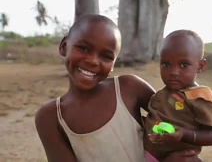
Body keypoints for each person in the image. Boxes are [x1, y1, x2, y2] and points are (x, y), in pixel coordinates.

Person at [35, 14, 200, 162]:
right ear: (64, 46)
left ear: (114, 63)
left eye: (106, 56)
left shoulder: (129, 88)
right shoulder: (51, 118)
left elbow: (176, 121)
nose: (92, 61)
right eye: (84, 48)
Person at [143, 30, 212, 161]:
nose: (173, 72)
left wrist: (184, 134)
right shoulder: (163, 93)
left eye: (184, 65)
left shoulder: (199, 97)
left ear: (200, 66)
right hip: (146, 155)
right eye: (166, 64)